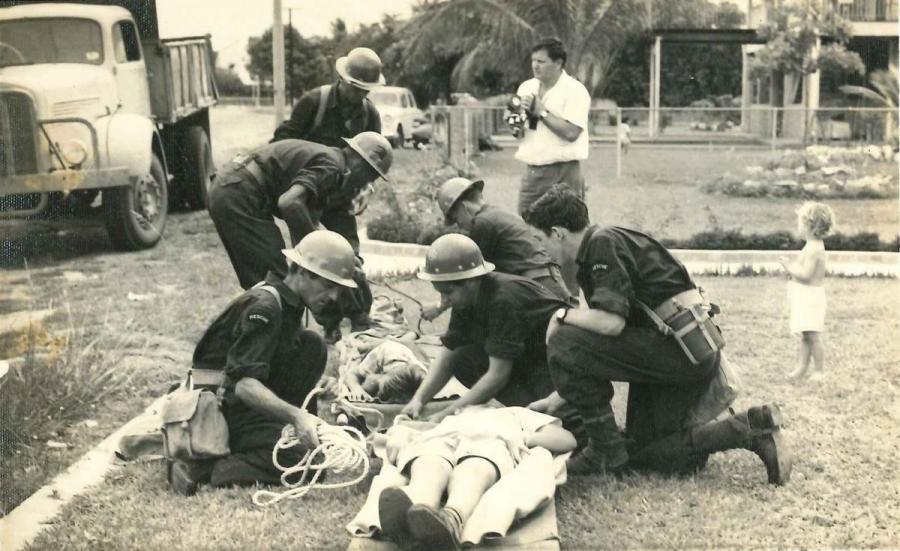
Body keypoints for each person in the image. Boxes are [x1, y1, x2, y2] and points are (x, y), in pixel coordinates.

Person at [523, 186, 792, 484]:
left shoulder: (602, 245)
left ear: (558, 233)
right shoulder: (606, 241)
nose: (540, 250)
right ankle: (751, 427)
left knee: (564, 337)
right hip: (685, 354)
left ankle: (604, 449)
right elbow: (599, 352)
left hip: (678, 354)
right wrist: (556, 399)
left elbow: (611, 326)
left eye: (539, 239)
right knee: (653, 455)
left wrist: (561, 316)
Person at [167, 231, 360, 495]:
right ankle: (202, 469)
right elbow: (244, 386)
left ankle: (288, 435)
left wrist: (317, 393)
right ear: (302, 272)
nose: (334, 297)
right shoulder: (267, 307)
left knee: (311, 345)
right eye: (329, 285)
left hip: (241, 404)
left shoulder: (287, 302)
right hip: (220, 411)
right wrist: (296, 415)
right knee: (306, 462)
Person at [207, 132, 393, 343]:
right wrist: (317, 249)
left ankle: (286, 336)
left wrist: (353, 259)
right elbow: (290, 203)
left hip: (237, 189)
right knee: (278, 280)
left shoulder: (340, 177)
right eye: (371, 175)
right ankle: (275, 342)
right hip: (238, 192)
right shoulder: (332, 166)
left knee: (280, 279)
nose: (369, 183)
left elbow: (343, 226)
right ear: (359, 163)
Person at [400, 234, 579, 431]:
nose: (444, 299)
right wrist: (418, 400)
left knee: (560, 427)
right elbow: (449, 352)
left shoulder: (503, 299)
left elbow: (498, 374)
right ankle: (526, 411)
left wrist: (446, 415)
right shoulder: (467, 297)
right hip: (527, 357)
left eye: (448, 292)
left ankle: (552, 418)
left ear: (469, 281)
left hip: (562, 363)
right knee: (462, 358)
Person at [377, 406, 576, 549]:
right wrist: (399, 434)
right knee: (429, 462)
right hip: (442, 438)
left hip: (493, 440)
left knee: (475, 466)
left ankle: (451, 519)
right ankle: (416, 509)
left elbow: (567, 439)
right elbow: (409, 429)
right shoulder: (452, 416)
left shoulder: (517, 413)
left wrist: (524, 438)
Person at [422, 177, 573, 321]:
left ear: (464, 207)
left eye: (456, 219)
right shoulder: (496, 214)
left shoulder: (483, 223)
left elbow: (468, 281)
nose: (459, 225)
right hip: (548, 285)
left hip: (540, 291)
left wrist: (438, 307)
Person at [513, 37, 590, 216]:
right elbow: (517, 131)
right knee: (527, 225)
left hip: (563, 172)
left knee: (566, 227)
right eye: (533, 61)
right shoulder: (526, 87)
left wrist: (542, 112)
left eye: (541, 61)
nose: (535, 66)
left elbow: (571, 133)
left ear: (557, 63)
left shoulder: (575, 90)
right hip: (532, 171)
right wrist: (516, 118)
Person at [271, 47, 383, 146]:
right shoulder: (313, 102)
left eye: (366, 91)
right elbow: (282, 145)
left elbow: (374, 156)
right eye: (356, 89)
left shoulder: (370, 115)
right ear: (342, 78)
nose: (361, 95)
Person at [780, 202, 834, 382]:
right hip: (804, 296)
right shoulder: (812, 246)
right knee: (806, 335)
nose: (798, 226)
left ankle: (819, 370)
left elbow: (806, 275)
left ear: (810, 225)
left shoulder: (814, 248)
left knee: (813, 336)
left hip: (811, 298)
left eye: (801, 222)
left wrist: (789, 266)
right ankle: (802, 368)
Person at [344, 340, 426, 403]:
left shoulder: (421, 372)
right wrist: (356, 388)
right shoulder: (384, 353)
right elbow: (351, 373)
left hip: (411, 352)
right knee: (368, 385)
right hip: (383, 347)